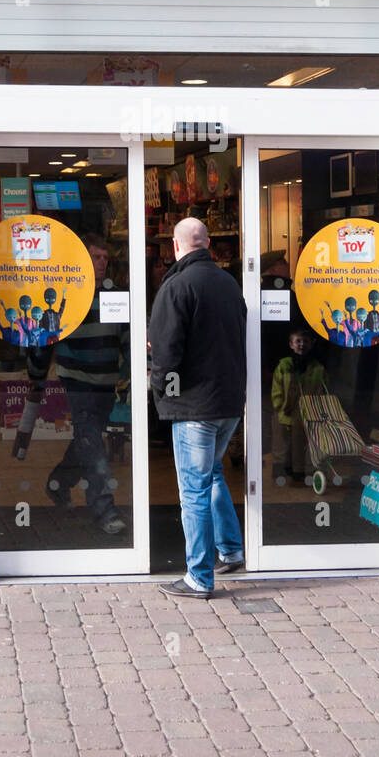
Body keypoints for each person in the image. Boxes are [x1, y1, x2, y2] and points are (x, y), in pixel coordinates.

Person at [149, 217, 247, 598]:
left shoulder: (177, 286)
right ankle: (232, 549)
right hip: (228, 403)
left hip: (194, 406)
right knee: (212, 475)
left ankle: (200, 577)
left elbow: (167, 351)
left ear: (176, 246)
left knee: (193, 489)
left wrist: (158, 388)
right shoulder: (228, 283)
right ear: (205, 243)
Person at [46, 234, 130, 536]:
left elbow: (127, 338)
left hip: (107, 382)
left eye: (106, 258)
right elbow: (46, 337)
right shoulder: (65, 296)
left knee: (86, 440)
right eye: (97, 257)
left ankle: (58, 481)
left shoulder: (116, 295)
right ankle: (104, 509)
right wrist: (36, 376)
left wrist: (132, 372)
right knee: (94, 444)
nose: (102, 263)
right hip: (77, 381)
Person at [271, 327, 328, 481]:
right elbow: (276, 390)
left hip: (308, 414)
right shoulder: (284, 366)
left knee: (303, 446)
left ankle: (301, 474)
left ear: (311, 344)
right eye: (298, 341)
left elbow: (323, 391)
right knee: (283, 447)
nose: (302, 344)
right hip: (286, 413)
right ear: (291, 344)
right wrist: (280, 407)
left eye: (305, 341)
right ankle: (282, 473)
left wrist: (317, 411)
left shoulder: (318, 368)